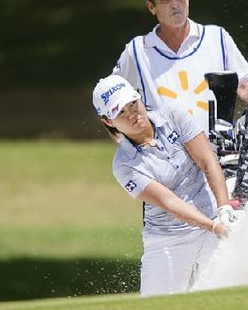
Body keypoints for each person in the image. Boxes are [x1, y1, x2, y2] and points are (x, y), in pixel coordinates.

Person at [112, 0, 248, 204]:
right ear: (151, 7)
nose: (174, 4)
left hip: (221, 157)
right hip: (172, 169)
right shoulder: (137, 51)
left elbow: (243, 86)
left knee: (233, 226)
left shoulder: (216, 38)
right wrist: (126, 142)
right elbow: (111, 101)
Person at [92, 74, 236, 296]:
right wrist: (213, 226)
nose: (132, 114)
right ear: (108, 121)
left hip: (212, 217)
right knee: (156, 309)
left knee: (225, 289)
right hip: (167, 240)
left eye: (132, 104)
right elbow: (170, 202)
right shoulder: (124, 165)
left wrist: (224, 209)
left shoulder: (172, 116)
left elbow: (207, 161)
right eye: (120, 112)